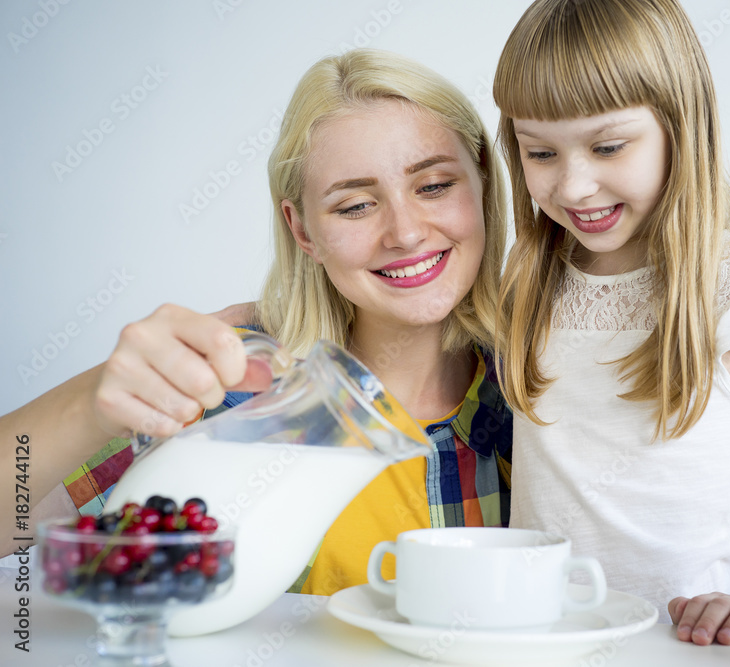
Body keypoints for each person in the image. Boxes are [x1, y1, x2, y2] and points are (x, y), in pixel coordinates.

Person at [1, 49, 512, 595]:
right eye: (355, 206)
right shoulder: (237, 392)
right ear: (303, 231)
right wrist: (97, 398)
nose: (406, 233)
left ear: (482, 183)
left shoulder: (536, 390)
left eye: (433, 186)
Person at [491, 0, 730, 646]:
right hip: (528, 639)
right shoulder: (529, 274)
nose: (574, 185)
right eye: (540, 152)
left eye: (608, 145)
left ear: (683, 125)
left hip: (676, 647)